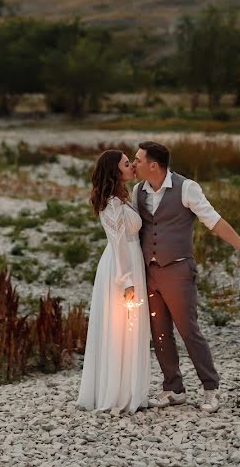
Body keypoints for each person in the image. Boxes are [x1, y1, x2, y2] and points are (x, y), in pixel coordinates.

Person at [132, 141, 240, 413]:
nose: (134, 164)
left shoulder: (187, 188)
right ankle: (173, 389)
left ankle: (210, 388)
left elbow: (214, 221)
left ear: (153, 165)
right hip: (149, 272)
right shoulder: (138, 191)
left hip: (179, 270)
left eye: (138, 160)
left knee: (188, 331)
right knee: (159, 332)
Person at [76, 149, 150, 415]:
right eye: (127, 164)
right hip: (121, 266)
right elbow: (118, 243)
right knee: (120, 327)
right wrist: (127, 281)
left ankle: (131, 389)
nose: (132, 167)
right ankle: (115, 393)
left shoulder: (123, 197)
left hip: (132, 261)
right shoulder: (111, 203)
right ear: (115, 171)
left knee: (129, 328)